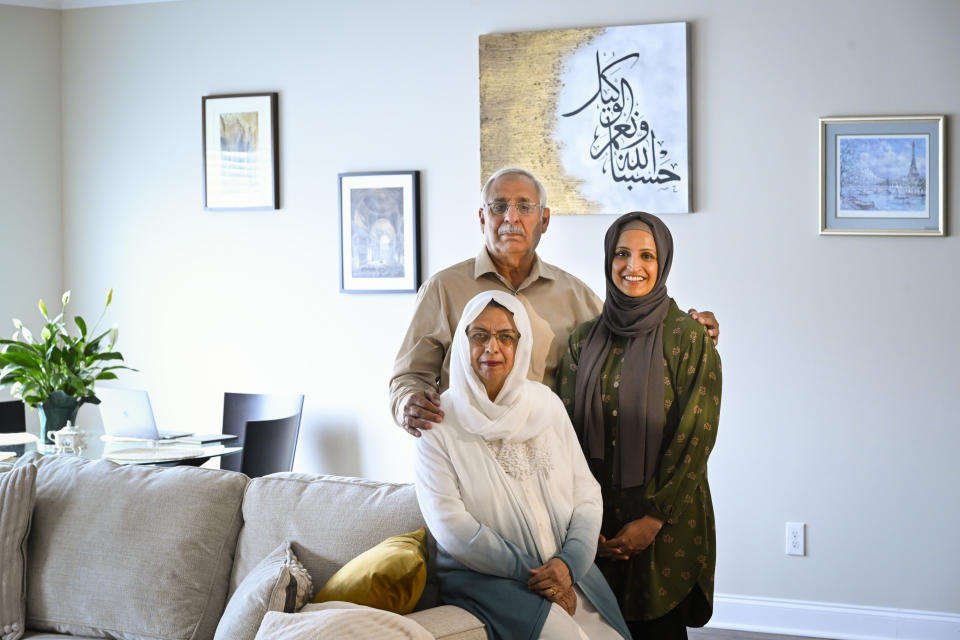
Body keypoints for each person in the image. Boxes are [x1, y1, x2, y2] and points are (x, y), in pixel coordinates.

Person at [390, 167, 719, 437]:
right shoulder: (443, 289)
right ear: (481, 218)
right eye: (499, 206)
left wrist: (687, 330)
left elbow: (629, 345)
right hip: (466, 460)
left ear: (544, 220)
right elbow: (409, 376)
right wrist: (407, 402)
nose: (511, 218)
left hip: (549, 467)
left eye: (525, 207)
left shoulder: (575, 295)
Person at [415, 290, 631, 640]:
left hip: (567, 568)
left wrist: (568, 564)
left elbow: (587, 494)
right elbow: (451, 527)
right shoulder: (438, 420)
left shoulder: (546, 405)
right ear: (462, 342)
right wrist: (538, 574)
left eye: (505, 337)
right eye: (479, 335)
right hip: (487, 579)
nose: (492, 348)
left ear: (521, 344)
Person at [555, 212, 722, 639]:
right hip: (597, 520)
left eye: (647, 255)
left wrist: (652, 520)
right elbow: (565, 433)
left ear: (663, 262)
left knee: (658, 630)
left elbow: (695, 440)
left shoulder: (689, 338)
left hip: (666, 524)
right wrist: (582, 525)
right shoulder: (584, 340)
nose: (634, 266)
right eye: (622, 254)